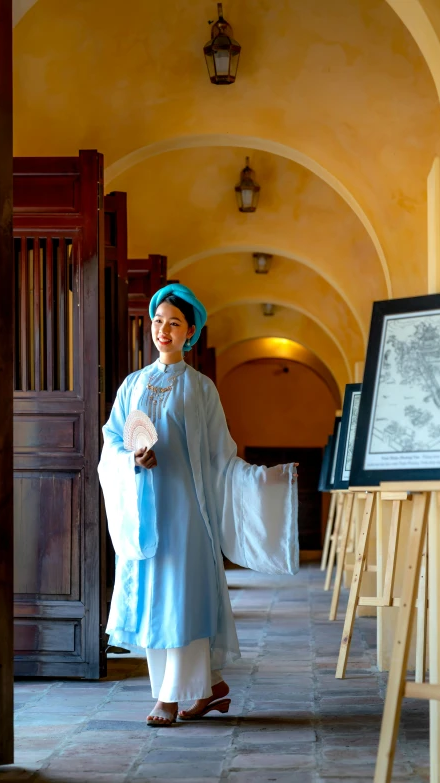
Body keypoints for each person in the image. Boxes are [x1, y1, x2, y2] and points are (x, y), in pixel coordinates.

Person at [98, 283, 299, 727]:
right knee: (155, 599)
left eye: (174, 323)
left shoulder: (200, 389)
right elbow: (112, 440)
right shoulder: (132, 385)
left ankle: (171, 698)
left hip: (187, 513)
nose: (163, 330)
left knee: (180, 599)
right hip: (145, 508)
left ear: (189, 332)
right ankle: (205, 688)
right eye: (157, 322)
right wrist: (132, 459)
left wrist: (262, 480)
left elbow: (220, 456)